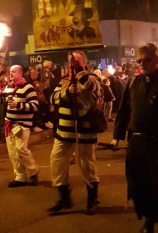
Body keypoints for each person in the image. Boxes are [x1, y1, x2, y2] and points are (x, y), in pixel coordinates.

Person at [112, 43, 158, 233]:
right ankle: (148, 217)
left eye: (146, 60)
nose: (142, 64)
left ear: (157, 60)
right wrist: (117, 135)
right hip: (137, 142)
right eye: (139, 60)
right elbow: (124, 109)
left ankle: (156, 220)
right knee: (140, 184)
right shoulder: (134, 82)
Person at [48, 51, 101, 215]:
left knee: (87, 164)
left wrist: (80, 72)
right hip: (63, 130)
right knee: (57, 162)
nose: (72, 64)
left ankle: (92, 199)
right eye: (71, 62)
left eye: (76, 61)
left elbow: (89, 87)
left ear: (83, 63)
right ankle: (64, 198)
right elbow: (52, 99)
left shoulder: (92, 78)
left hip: (84, 130)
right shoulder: (64, 82)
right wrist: (66, 92)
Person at [3, 65, 40, 188]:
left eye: (13, 72)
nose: (11, 74)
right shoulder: (9, 86)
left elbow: (35, 106)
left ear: (20, 73)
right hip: (10, 124)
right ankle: (20, 177)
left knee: (21, 149)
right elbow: (0, 99)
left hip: (22, 124)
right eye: (10, 72)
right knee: (13, 153)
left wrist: (17, 105)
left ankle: (33, 170)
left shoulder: (28, 87)